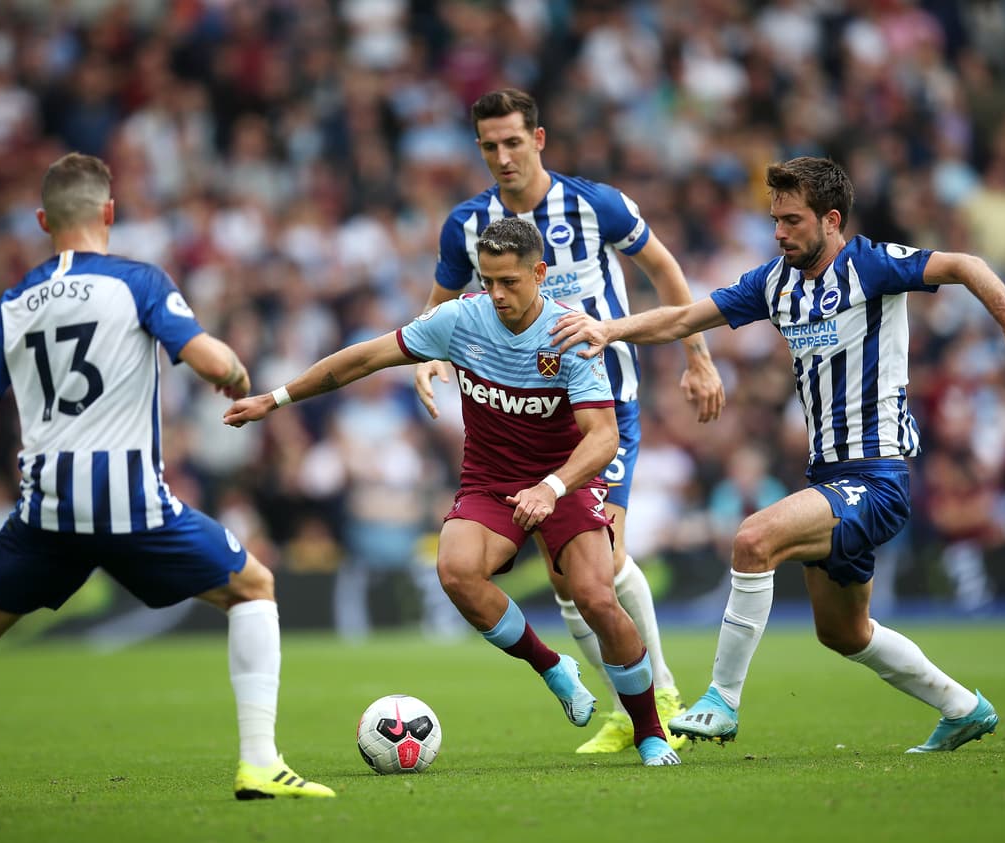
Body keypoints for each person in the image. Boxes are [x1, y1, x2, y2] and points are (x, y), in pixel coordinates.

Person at [0, 153, 334, 814]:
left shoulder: (13, 302)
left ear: (43, 221)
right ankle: (260, 763)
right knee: (255, 586)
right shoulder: (138, 282)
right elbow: (211, 359)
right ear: (109, 213)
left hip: (46, 512)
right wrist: (234, 372)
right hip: (133, 505)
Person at [551, 156, 1005, 753]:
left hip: (878, 475)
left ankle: (720, 701)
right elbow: (687, 317)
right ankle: (964, 707)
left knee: (753, 539)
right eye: (774, 219)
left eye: (791, 220)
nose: (779, 232)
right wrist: (610, 330)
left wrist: (1004, 312)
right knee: (844, 632)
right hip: (829, 475)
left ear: (831, 220)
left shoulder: (872, 265)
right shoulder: (776, 282)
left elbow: (964, 264)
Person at [226, 217, 681, 767]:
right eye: (488, 280)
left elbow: (604, 438)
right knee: (456, 572)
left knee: (597, 599)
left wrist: (552, 485)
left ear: (539, 273)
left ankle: (650, 731)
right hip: (490, 481)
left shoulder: (571, 335)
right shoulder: (459, 319)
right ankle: (553, 668)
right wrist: (273, 400)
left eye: (509, 282)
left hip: (564, 480)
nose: (497, 293)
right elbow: (364, 358)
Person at [413, 88, 725, 755]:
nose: (502, 157)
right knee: (570, 577)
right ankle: (632, 699)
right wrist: (427, 360)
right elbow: (436, 306)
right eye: (490, 146)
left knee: (597, 563)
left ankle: (655, 694)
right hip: (524, 416)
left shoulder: (594, 204)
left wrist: (696, 355)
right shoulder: (468, 226)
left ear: (540, 139)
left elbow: (664, 269)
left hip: (601, 408)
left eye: (513, 142)